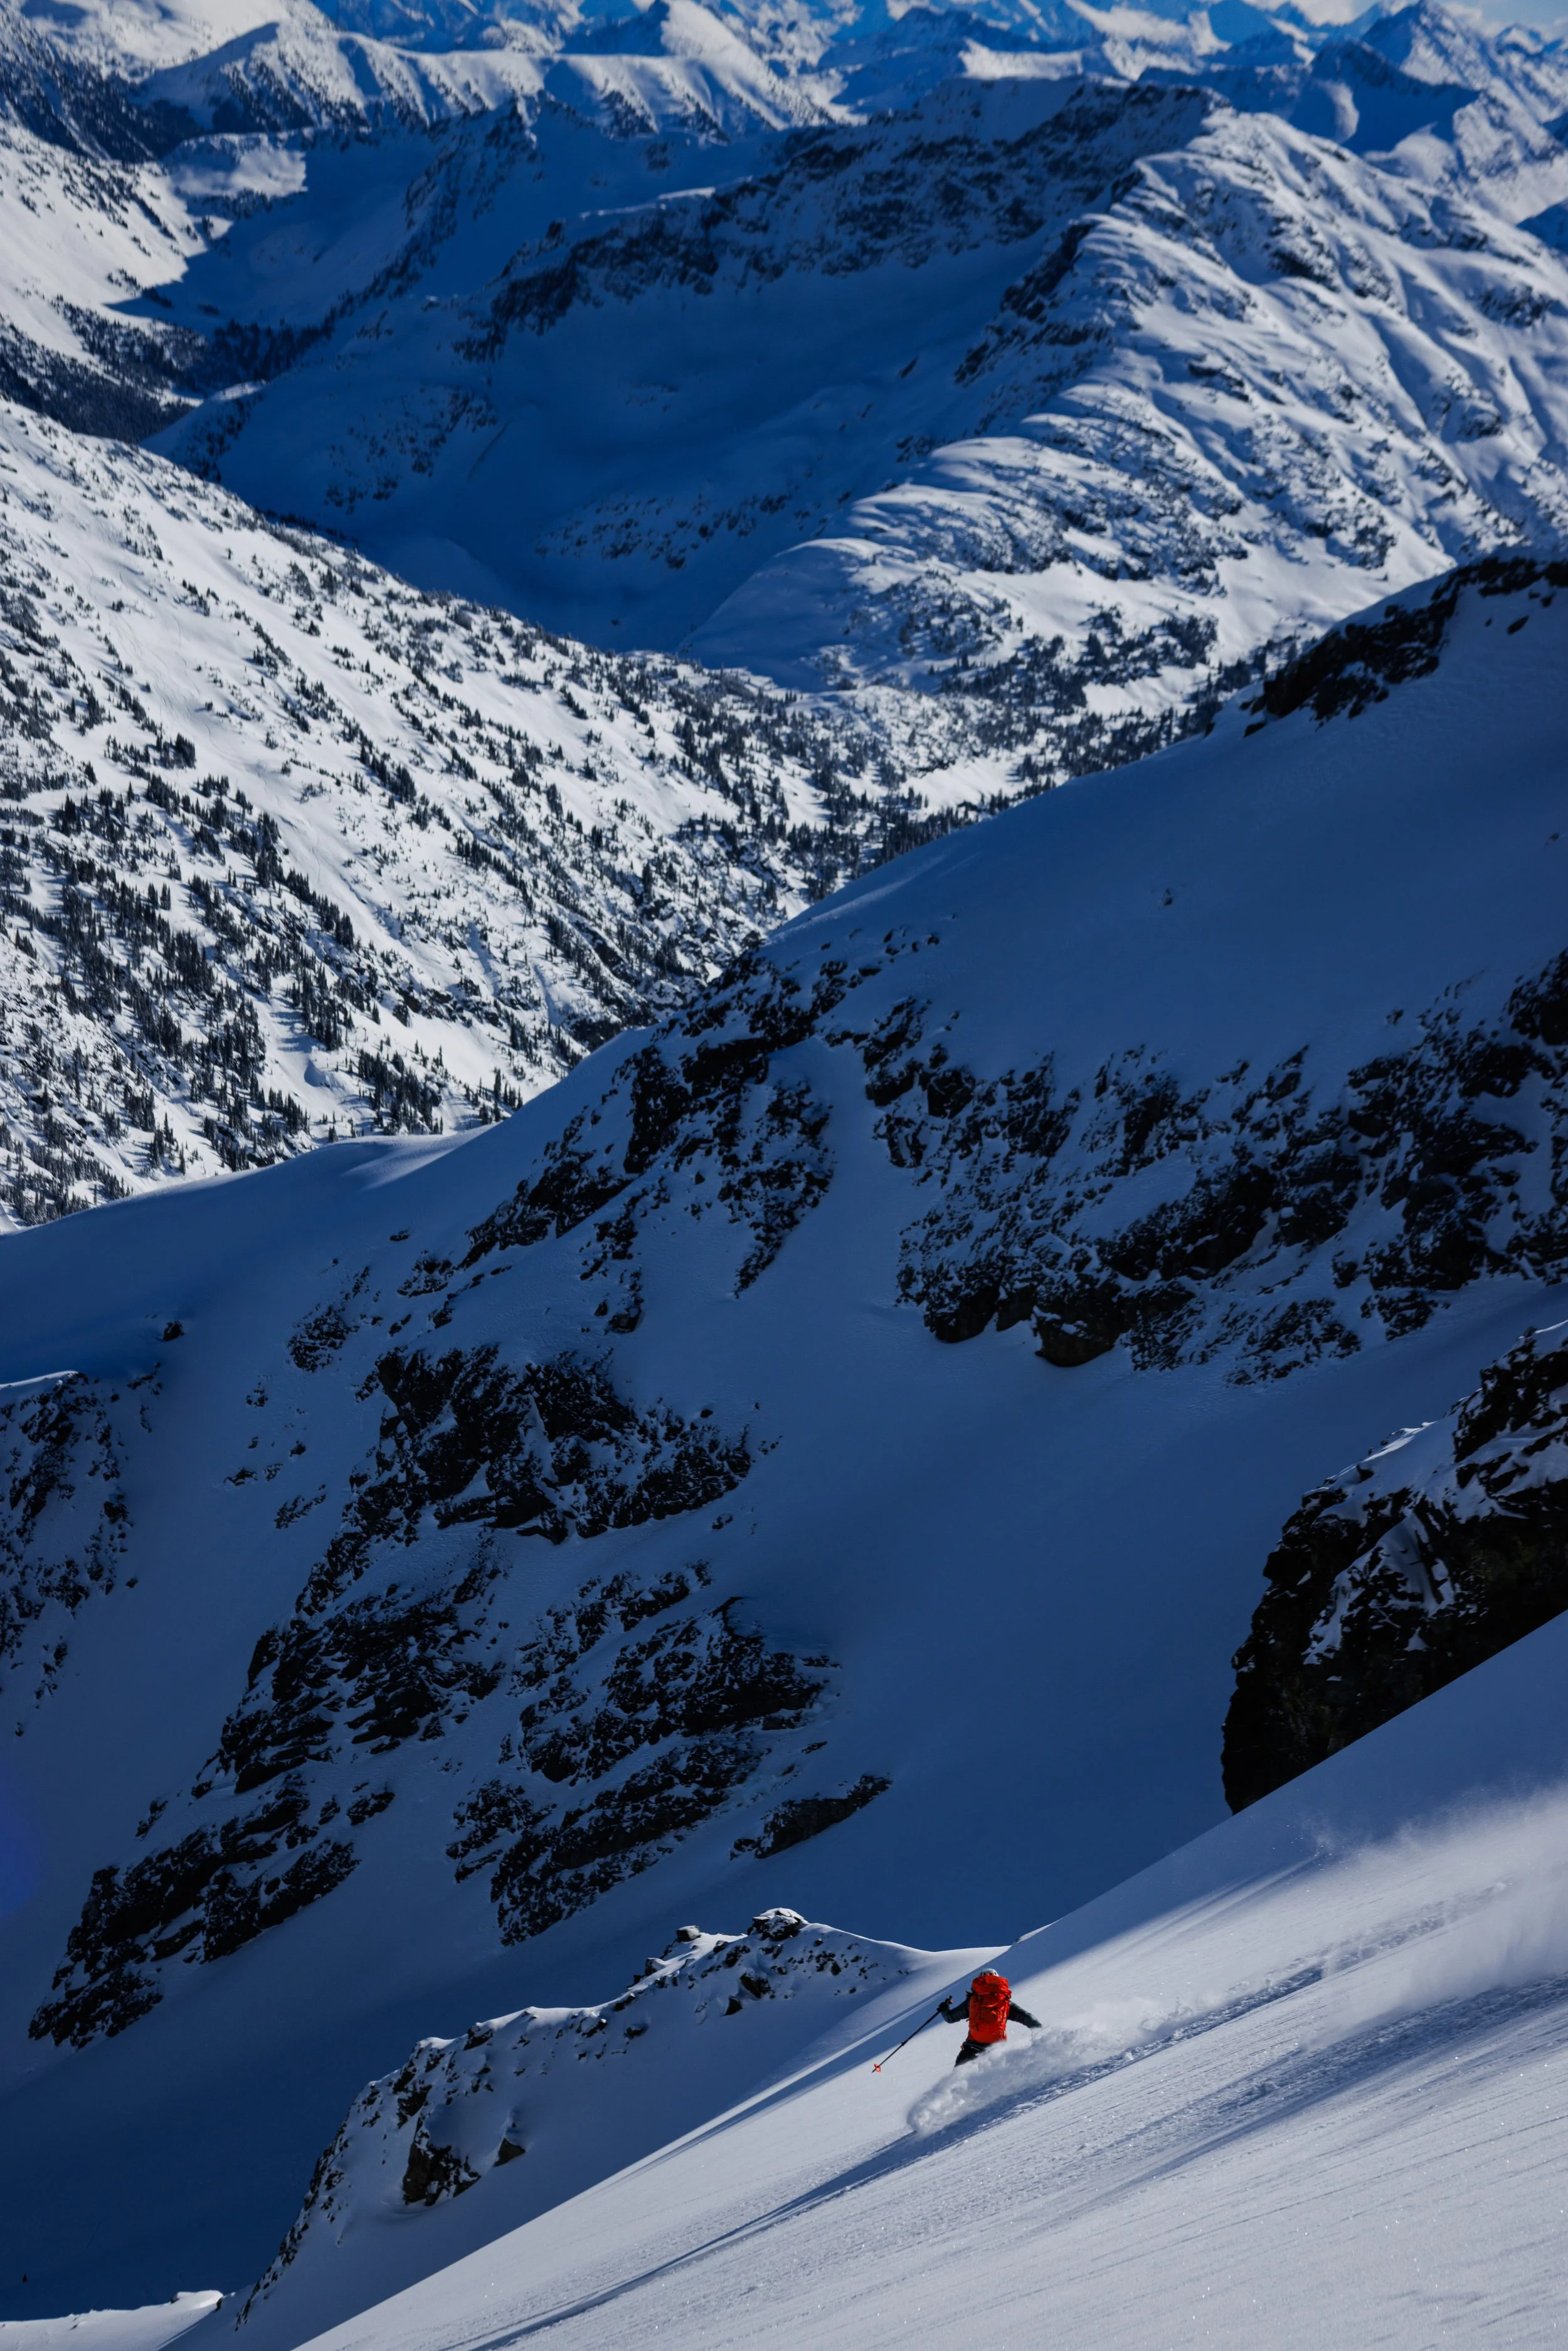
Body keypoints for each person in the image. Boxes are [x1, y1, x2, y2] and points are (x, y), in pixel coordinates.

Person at [940, 1969, 1041, 2065]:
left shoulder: (972, 2001)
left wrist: (944, 2008)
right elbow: (1028, 2018)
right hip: (996, 2051)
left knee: (958, 2080)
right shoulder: (1006, 2002)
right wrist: (1042, 2034)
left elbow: (950, 2018)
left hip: (972, 2048)